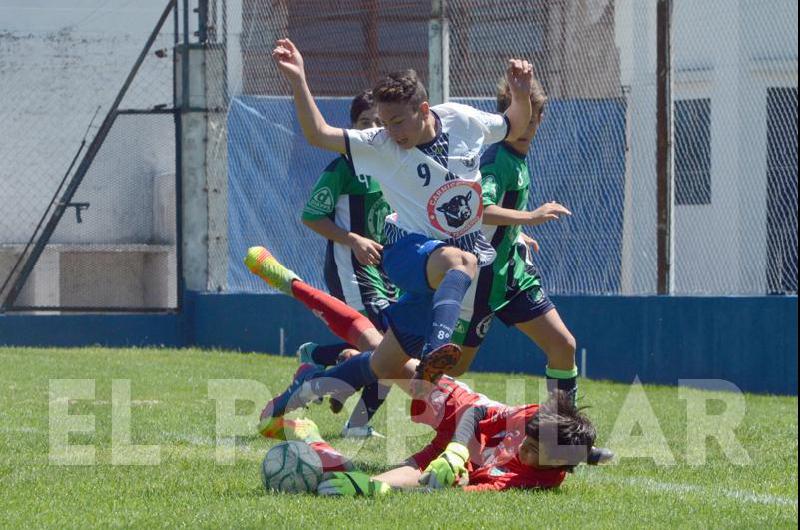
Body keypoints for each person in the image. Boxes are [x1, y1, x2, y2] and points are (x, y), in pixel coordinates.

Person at [264, 37, 534, 421]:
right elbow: (318, 134)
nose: (390, 131)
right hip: (407, 251)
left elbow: (512, 125)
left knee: (382, 365)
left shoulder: (462, 120)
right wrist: (298, 79)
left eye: (397, 121)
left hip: (445, 272)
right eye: (384, 123)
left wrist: (521, 95)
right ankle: (436, 351)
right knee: (463, 261)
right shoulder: (379, 144)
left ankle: (300, 392)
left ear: (423, 109)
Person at [245, 246, 613, 466]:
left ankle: (317, 359)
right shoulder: (529, 430)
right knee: (374, 345)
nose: (528, 454)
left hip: (440, 388)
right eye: (535, 449)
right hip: (421, 290)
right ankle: (300, 307)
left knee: (374, 348)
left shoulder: (516, 464)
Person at [445, 77, 580, 403]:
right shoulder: (496, 161)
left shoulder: (518, 158)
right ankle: (366, 365)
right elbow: (480, 210)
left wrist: (517, 231)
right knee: (453, 368)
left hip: (512, 273)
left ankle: (561, 439)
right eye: (522, 119)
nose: (528, 127)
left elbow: (502, 212)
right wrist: (530, 217)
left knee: (563, 346)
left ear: (541, 118)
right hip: (483, 279)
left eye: (534, 120)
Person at [270, 384, 597, 495]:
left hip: (453, 460)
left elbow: (458, 490)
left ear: (557, 464)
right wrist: (457, 448)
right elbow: (477, 412)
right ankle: (336, 363)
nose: (524, 447)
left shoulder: (531, 482)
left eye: (534, 451)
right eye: (528, 439)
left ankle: (309, 434)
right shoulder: (534, 418)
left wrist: (457, 474)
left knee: (361, 480)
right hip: (457, 413)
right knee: (398, 363)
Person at [300, 89, 398, 438]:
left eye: (378, 123)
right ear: (352, 126)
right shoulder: (343, 166)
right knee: (384, 347)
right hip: (351, 270)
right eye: (364, 123)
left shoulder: (395, 162)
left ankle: (321, 358)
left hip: (388, 272)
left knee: (395, 347)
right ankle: (355, 421)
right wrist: (352, 239)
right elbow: (312, 216)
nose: (371, 130)